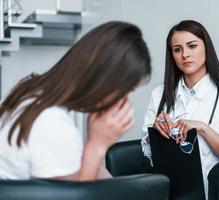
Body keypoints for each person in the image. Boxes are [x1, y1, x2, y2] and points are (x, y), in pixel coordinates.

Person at [0, 21, 151, 181]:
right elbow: (77, 195)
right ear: (104, 79)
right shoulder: (51, 124)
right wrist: (97, 146)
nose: (124, 101)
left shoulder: (32, 89)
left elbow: (79, 171)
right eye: (124, 91)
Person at [141, 20, 219, 198]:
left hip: (211, 192)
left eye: (192, 46)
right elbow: (147, 152)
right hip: (169, 190)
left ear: (206, 47)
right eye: (178, 49)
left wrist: (202, 128)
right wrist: (155, 132)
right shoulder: (159, 94)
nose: (185, 54)